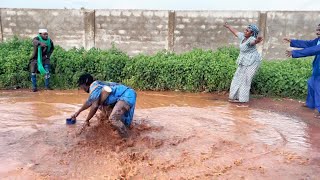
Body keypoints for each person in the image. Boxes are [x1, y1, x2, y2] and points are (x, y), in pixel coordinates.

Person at [71, 73, 137, 138]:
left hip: (126, 95)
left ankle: (128, 140)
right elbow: (88, 102)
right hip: (127, 94)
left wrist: (87, 120)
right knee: (118, 121)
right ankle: (124, 134)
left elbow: (94, 107)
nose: (82, 88)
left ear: (85, 82)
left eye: (81, 86)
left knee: (113, 118)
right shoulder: (97, 86)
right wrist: (78, 112)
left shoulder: (94, 87)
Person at [284, 24, 320, 118]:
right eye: (317, 30)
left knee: (317, 87)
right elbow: (308, 44)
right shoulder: (318, 40)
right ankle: (311, 103)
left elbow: (312, 50)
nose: (317, 32)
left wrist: (295, 53)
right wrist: (293, 41)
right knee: (312, 83)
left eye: (319, 30)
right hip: (318, 67)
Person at [224, 23, 263, 106]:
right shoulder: (243, 37)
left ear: (252, 33)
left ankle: (243, 99)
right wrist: (229, 26)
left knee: (246, 79)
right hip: (244, 60)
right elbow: (235, 32)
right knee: (237, 76)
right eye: (245, 29)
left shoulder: (251, 39)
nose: (245, 31)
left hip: (253, 62)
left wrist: (257, 41)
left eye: (247, 31)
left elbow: (253, 42)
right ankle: (234, 96)